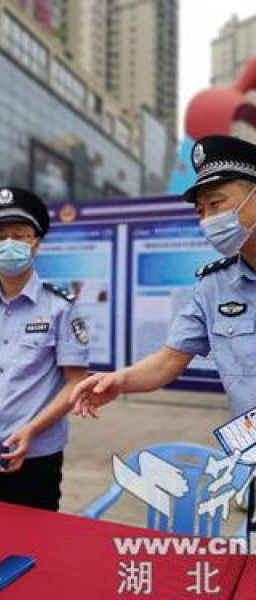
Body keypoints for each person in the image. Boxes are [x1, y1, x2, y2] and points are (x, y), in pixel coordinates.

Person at [69, 134, 256, 545]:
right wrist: (118, 381)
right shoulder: (214, 287)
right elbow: (170, 359)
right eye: (201, 209)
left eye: (217, 204)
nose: (207, 218)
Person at [0, 187, 90, 511]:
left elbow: (75, 382)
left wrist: (32, 430)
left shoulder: (60, 307)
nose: (8, 243)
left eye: (19, 235)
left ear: (35, 243)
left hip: (36, 453)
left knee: (32, 547)